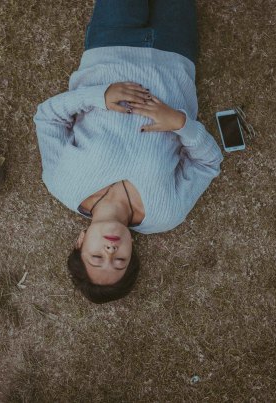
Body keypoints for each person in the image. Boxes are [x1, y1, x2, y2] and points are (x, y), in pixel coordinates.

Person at [34, 0, 223, 303]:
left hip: (110, 44)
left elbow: (47, 118)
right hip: (175, 54)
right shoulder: (166, 215)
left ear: (80, 242)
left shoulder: (60, 184)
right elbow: (208, 164)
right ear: (132, 252)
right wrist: (179, 123)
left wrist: (101, 95)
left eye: (97, 257)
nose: (110, 251)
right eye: (119, 261)